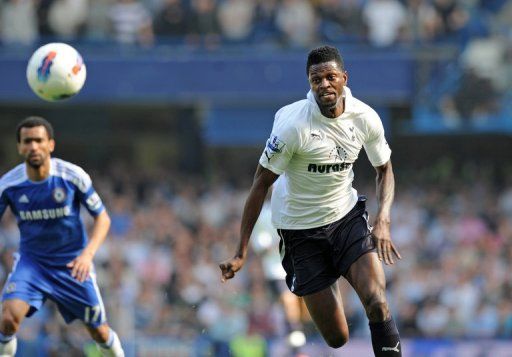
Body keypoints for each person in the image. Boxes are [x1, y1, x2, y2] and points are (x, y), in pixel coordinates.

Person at [219, 45, 402, 356]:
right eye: (316, 79)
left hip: (345, 219)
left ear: (344, 78)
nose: (324, 85)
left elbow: (384, 169)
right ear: (309, 83)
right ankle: (327, 275)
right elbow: (260, 185)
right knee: (337, 338)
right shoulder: (293, 126)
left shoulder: (365, 118)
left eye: (331, 77)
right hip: (299, 231)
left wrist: (383, 218)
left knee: (376, 301)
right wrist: (241, 252)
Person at [0, 117, 124, 357]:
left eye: (39, 140)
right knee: (7, 319)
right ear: (19, 147)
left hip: (72, 265)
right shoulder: (9, 184)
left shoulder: (72, 176)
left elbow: (103, 218)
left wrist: (87, 256)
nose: (33, 146)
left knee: (99, 332)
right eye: (28, 141)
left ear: (51, 145)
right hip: (32, 264)